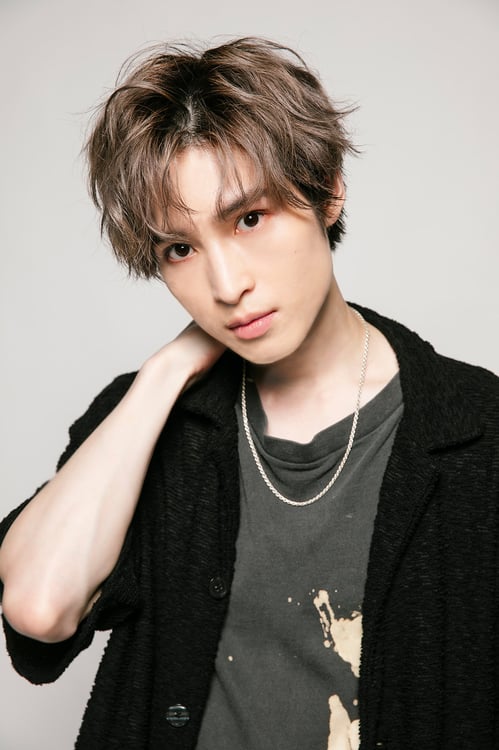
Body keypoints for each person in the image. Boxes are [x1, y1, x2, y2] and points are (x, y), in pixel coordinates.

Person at [0, 37, 497, 750]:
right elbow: (40, 610)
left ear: (327, 190)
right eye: (180, 249)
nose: (227, 285)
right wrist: (167, 373)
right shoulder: (145, 419)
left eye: (248, 219)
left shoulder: (478, 430)